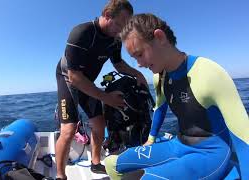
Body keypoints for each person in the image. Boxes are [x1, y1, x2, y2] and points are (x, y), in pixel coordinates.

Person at [105, 13, 249, 180]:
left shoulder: (209, 72)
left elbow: (244, 139)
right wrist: (151, 139)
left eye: (140, 54)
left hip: (211, 153)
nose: (139, 64)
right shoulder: (160, 77)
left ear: (160, 37)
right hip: (178, 144)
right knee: (112, 163)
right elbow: (159, 108)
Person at [55, 1, 147, 179]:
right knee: (69, 129)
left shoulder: (115, 40)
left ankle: (95, 163)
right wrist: (106, 98)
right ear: (106, 14)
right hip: (68, 78)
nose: (121, 30)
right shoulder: (82, 32)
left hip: (86, 82)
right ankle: (60, 175)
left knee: (99, 124)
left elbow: (118, 64)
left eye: (125, 26)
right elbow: (74, 77)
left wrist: (138, 74)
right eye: (119, 24)